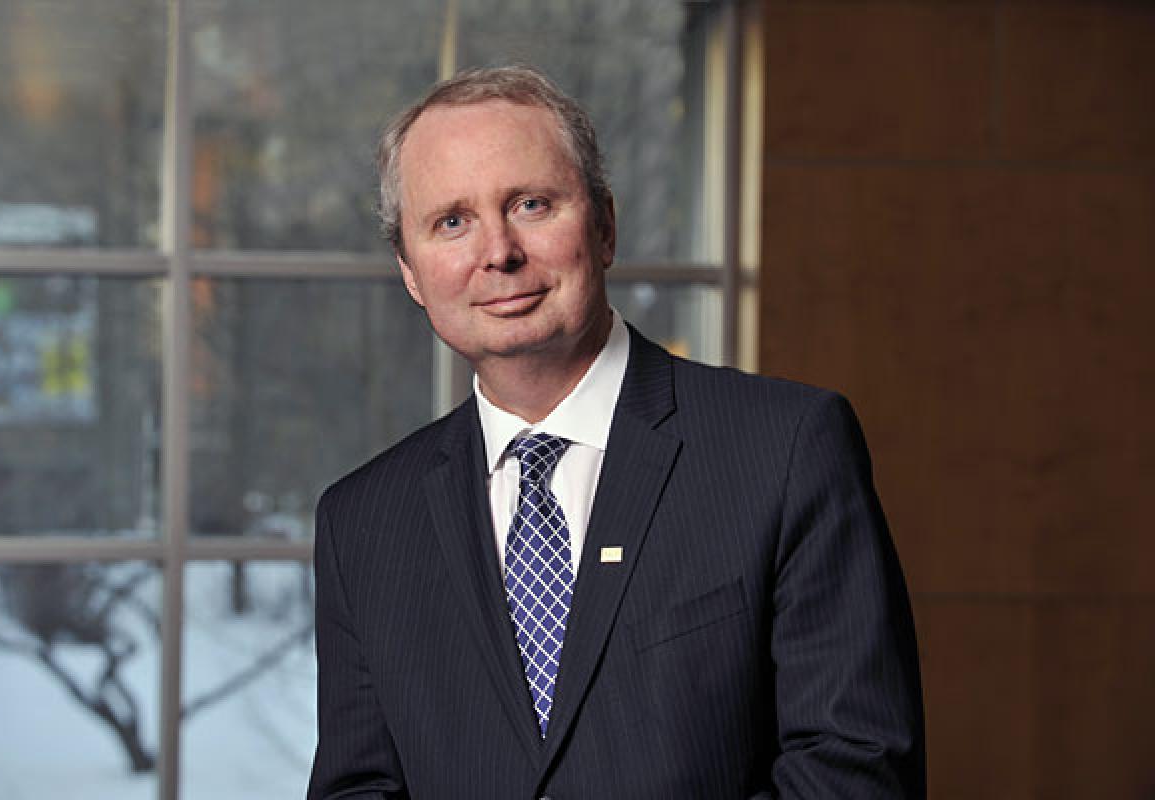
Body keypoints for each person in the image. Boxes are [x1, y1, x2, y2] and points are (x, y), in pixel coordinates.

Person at [308, 65, 925, 800]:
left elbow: (856, 771)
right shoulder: (364, 522)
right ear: (411, 273)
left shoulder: (786, 450)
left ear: (604, 226)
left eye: (531, 205)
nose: (497, 252)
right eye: (452, 222)